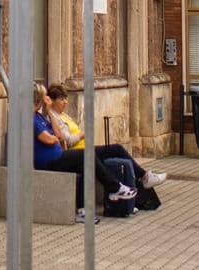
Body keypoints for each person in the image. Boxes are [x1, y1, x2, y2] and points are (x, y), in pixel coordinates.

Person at [33, 85, 135, 222]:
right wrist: (55, 138)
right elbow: (49, 139)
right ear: (39, 99)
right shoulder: (31, 119)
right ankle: (115, 188)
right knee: (87, 155)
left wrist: (50, 111)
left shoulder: (40, 116)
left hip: (58, 156)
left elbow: (58, 135)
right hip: (50, 161)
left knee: (86, 165)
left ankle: (82, 210)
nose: (47, 99)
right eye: (44, 97)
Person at [46, 85, 167, 192]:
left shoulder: (64, 115)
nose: (65, 102)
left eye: (66, 98)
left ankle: (142, 181)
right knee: (113, 157)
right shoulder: (55, 118)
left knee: (117, 150)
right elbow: (68, 140)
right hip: (77, 154)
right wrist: (82, 135)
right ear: (52, 101)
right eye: (62, 99)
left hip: (84, 149)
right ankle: (133, 185)